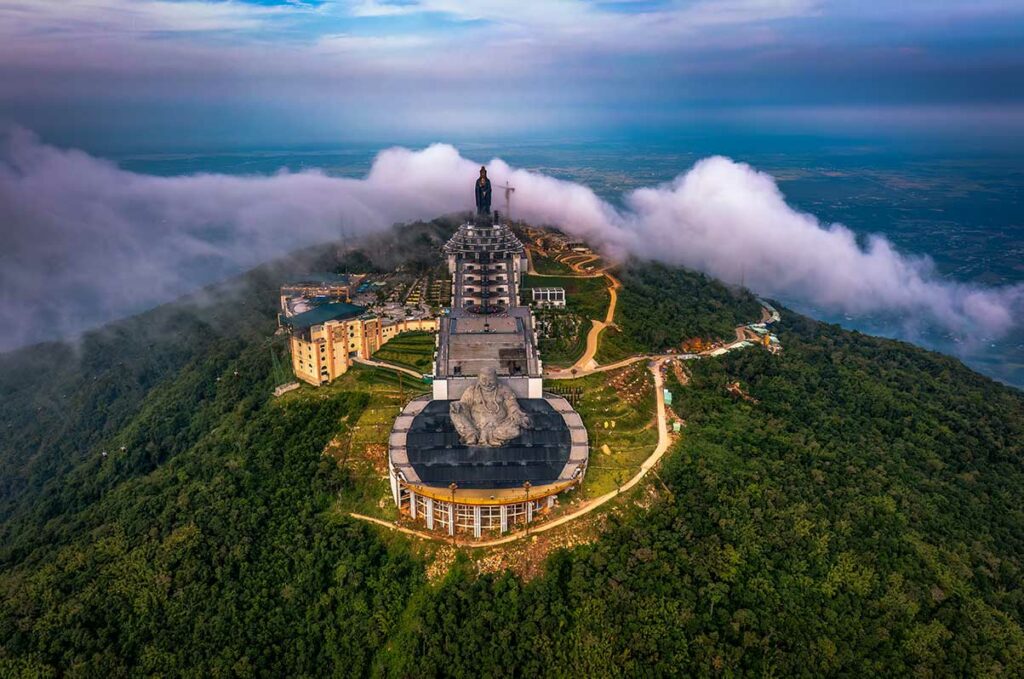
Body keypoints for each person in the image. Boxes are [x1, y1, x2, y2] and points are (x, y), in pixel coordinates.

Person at [450, 367, 529, 447]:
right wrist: (458, 405)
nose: (487, 383)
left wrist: (515, 412)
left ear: (496, 378)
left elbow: (512, 404)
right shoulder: (471, 391)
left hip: (500, 426)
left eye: (491, 380)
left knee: (515, 430)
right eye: (483, 380)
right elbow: (464, 405)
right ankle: (472, 435)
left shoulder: (504, 390)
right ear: (478, 378)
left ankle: (494, 436)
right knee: (455, 412)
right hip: (476, 425)